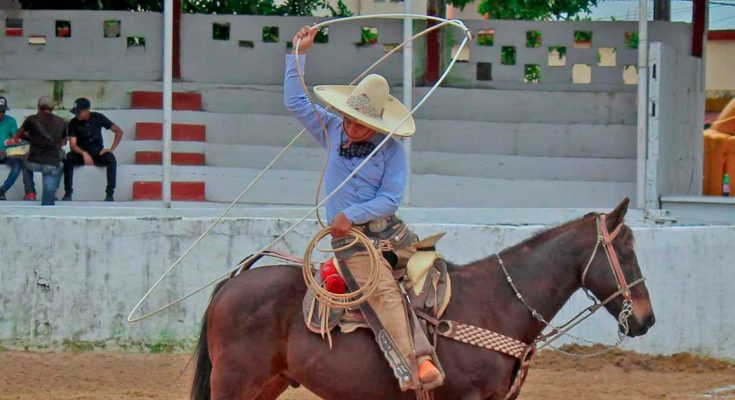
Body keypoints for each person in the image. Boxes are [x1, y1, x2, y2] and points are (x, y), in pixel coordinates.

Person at [285, 26, 443, 391]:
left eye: (361, 123)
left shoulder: (391, 150)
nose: (352, 128)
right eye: (349, 119)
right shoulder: (330, 127)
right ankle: (416, 364)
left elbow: (390, 200)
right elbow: (296, 103)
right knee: (384, 291)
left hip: (389, 231)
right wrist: (298, 55)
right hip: (350, 240)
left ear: (377, 123)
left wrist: (352, 213)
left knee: (430, 272)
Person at [63, 97, 122, 201]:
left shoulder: (98, 117)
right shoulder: (73, 123)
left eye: (79, 112)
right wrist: (84, 153)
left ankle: (110, 193)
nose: (77, 115)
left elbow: (118, 131)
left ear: (86, 110)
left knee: (111, 159)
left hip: (97, 152)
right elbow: (73, 145)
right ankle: (68, 193)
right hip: (81, 154)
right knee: (68, 158)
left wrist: (111, 149)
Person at [13, 96, 67, 206]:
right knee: (47, 204)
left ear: (38, 107)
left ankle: (30, 192)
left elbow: (17, 135)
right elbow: (63, 142)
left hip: (34, 162)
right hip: (52, 164)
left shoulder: (31, 120)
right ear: (53, 108)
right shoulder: (62, 122)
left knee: (23, 159)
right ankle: (53, 193)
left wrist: (30, 138)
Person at [0, 96, 23, 201]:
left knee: (18, 165)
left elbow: (16, 138)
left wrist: (13, 142)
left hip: (6, 153)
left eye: (3, 111)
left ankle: (2, 190)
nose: (1, 114)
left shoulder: (10, 121)